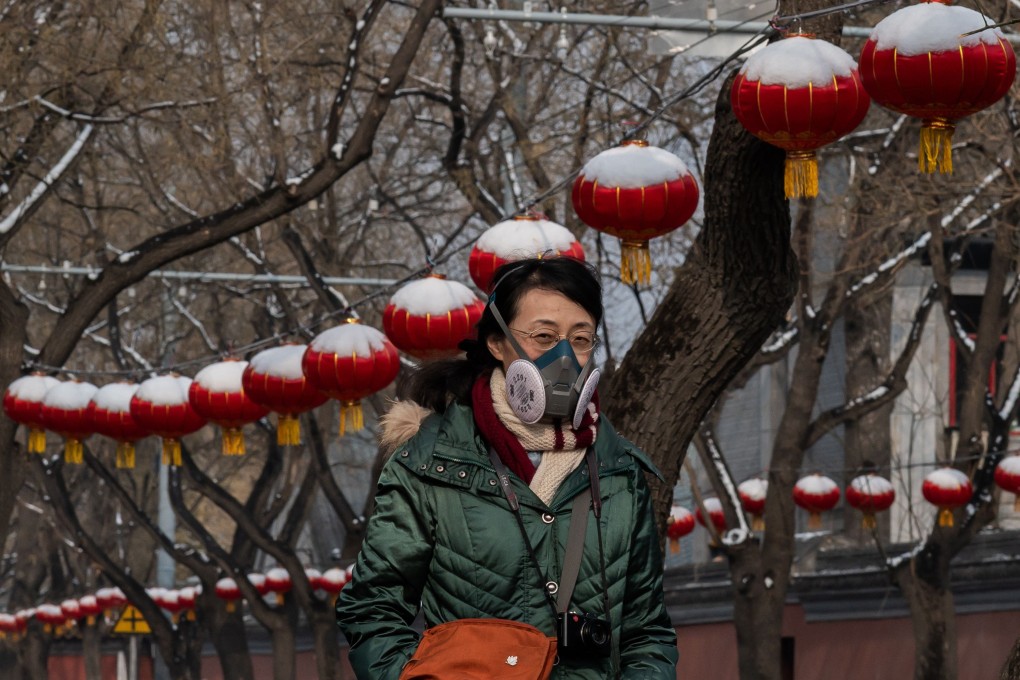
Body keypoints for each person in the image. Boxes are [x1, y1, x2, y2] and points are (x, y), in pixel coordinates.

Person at [336, 257, 678, 679]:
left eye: (581, 338)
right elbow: (372, 609)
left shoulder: (619, 472)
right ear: (497, 343)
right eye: (543, 336)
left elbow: (647, 633)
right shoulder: (427, 465)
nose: (564, 357)